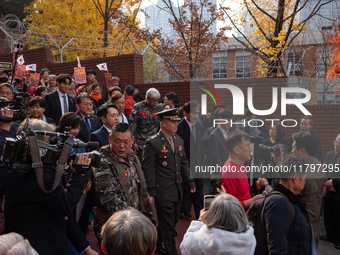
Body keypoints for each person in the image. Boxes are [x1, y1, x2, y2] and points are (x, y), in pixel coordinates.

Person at [4, 119, 91, 255]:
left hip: (21, 239)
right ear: (37, 144)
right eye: (49, 141)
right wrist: (79, 176)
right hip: (39, 245)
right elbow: (64, 205)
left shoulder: (19, 165)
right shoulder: (41, 174)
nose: (52, 145)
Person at [142, 108, 196, 255]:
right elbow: (149, 170)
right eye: (172, 121)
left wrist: (190, 181)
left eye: (176, 121)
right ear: (163, 123)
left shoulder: (178, 140)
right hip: (162, 190)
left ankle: (156, 242)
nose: (176, 124)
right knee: (168, 225)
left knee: (171, 222)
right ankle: (172, 251)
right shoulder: (152, 143)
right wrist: (151, 191)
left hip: (177, 188)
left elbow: (184, 162)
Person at [92, 123, 153, 242]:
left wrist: (148, 215)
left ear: (132, 140)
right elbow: (107, 199)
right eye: (117, 141)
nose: (122, 146)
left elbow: (141, 187)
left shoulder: (132, 156)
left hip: (134, 225)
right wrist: (137, 215)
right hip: (115, 228)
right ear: (110, 139)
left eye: (126, 142)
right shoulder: (102, 160)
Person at [262, 155, 317, 255]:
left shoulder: (291, 199)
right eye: (304, 180)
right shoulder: (278, 202)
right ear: (295, 178)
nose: (304, 184)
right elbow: (277, 249)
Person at [180, 193, 256, 255]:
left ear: (214, 215)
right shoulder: (250, 239)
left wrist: (200, 221)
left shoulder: (200, 243)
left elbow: (185, 247)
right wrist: (226, 199)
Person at [292, 131, 324, 247]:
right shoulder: (317, 164)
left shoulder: (304, 170)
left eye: (294, 147)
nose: (292, 151)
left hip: (304, 220)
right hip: (314, 216)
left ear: (302, 150)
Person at [221, 132, 264, 212]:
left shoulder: (241, 165)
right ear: (236, 149)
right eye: (248, 145)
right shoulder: (229, 172)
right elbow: (229, 205)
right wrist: (253, 200)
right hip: (238, 219)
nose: (251, 149)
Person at [176, 101, 204, 220]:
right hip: (185, 168)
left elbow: (200, 146)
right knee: (182, 196)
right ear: (185, 113)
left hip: (198, 166)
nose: (196, 116)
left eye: (198, 113)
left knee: (199, 197)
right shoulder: (179, 127)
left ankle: (200, 221)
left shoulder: (199, 126)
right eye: (193, 113)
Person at [130, 88, 163, 160]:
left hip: (155, 141)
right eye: (154, 100)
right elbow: (133, 125)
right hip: (141, 142)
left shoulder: (159, 108)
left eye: (157, 100)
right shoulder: (137, 107)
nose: (156, 102)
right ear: (147, 98)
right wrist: (134, 142)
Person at [322, 135, 340, 249]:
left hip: (338, 189)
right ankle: (330, 235)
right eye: (336, 142)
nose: (337, 145)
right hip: (329, 189)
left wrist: (334, 181)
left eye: (339, 143)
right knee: (328, 214)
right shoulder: (329, 154)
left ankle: (339, 240)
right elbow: (324, 170)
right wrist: (328, 182)